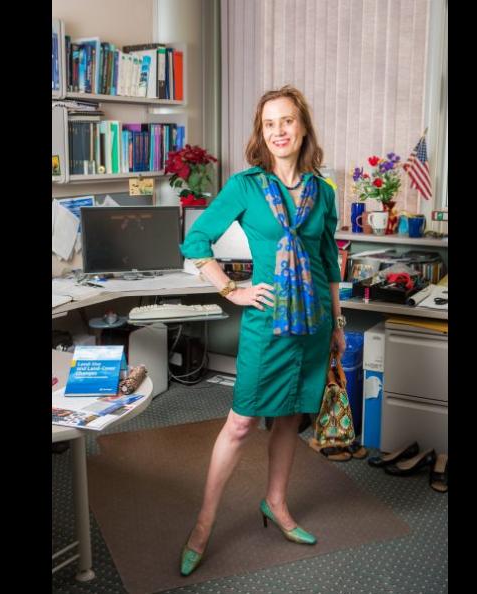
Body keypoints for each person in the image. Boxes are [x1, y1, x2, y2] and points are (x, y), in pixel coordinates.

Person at [178, 85, 347, 576]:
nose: (279, 131)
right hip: (267, 323)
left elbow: (327, 262)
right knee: (240, 423)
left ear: (303, 128)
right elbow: (195, 241)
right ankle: (204, 525)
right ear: (261, 132)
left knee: (291, 419)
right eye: (270, 123)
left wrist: (336, 324)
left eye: (288, 121)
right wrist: (231, 289)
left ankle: (276, 503)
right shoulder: (246, 186)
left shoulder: (323, 192)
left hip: (313, 325)